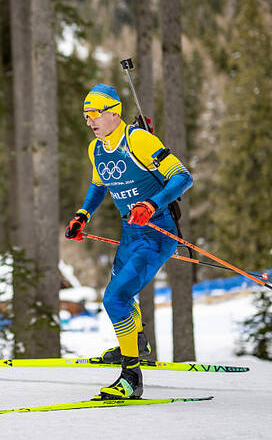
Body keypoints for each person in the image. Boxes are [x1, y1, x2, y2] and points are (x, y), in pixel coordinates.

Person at [64, 83, 193, 400]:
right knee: (122, 295)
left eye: (95, 114)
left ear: (113, 112)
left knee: (115, 298)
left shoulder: (138, 139)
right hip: (131, 233)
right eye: (86, 116)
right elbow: (98, 186)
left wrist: (151, 205)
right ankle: (138, 343)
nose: (90, 121)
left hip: (157, 232)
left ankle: (131, 378)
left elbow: (182, 177)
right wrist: (83, 215)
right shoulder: (97, 149)